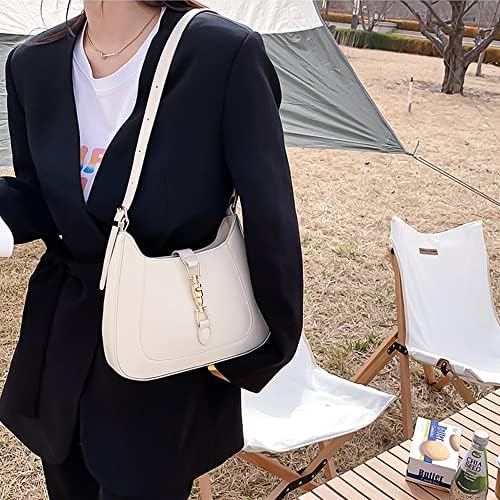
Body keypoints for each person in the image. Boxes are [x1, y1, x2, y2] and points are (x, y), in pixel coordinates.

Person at [0, 1, 303, 499]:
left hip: (165, 355)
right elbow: (43, 194)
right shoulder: (33, 62)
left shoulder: (220, 55)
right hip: (63, 350)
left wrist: (259, 353)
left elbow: (270, 213)